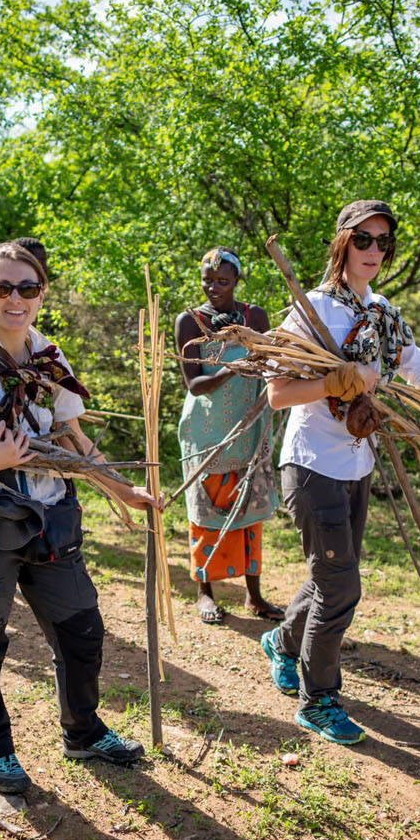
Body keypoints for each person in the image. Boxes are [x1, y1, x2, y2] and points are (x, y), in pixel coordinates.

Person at [0, 241, 160, 793]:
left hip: (48, 518)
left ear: (41, 294)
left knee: (82, 630)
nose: (15, 298)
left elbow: (73, 439)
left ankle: (83, 730)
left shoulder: (50, 360)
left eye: (27, 287)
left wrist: (123, 490)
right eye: (3, 288)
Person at [260, 200, 420, 745]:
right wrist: (337, 382)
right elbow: (277, 393)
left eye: (384, 242)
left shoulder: (382, 311)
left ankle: (283, 643)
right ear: (341, 242)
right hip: (312, 464)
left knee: (328, 576)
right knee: (341, 587)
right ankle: (320, 700)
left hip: (358, 465)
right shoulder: (310, 311)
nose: (375, 252)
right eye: (364, 240)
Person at [175, 247, 284, 626]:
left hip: (249, 427)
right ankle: (205, 591)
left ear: (237, 280)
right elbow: (195, 385)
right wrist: (231, 368)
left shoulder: (256, 317)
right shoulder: (189, 321)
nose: (213, 288)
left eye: (223, 281)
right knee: (208, 510)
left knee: (249, 510)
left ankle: (254, 596)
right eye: (208, 280)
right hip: (207, 432)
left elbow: (270, 364)